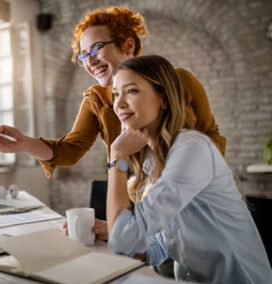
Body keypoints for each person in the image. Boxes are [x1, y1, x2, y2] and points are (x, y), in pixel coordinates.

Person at [0, 6, 226, 182]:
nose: (90, 61)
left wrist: (204, 183)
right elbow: (70, 150)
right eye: (83, 55)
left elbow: (210, 136)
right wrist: (25, 145)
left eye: (97, 48)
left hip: (189, 191)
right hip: (135, 197)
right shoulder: (96, 99)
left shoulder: (179, 80)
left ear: (128, 45)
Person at [107, 55, 272, 283]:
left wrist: (117, 157)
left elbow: (123, 240)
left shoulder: (192, 149)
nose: (119, 103)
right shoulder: (153, 161)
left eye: (131, 91)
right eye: (116, 93)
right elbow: (157, 248)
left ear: (164, 98)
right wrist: (114, 231)